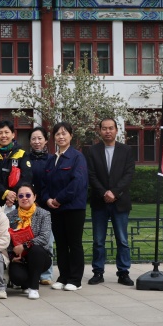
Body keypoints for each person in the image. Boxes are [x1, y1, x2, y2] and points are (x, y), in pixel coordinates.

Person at [85, 118, 135, 286]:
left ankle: (123, 273)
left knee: (122, 240)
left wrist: (114, 192)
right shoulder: (92, 151)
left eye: (111, 128)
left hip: (120, 202)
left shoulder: (126, 150)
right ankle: (98, 272)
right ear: (100, 131)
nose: (108, 131)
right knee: (98, 240)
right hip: (99, 202)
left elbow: (129, 174)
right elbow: (91, 175)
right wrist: (104, 193)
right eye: (104, 128)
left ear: (116, 130)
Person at [43, 121, 88, 291]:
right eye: (57, 134)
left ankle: (75, 280)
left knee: (74, 243)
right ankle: (63, 276)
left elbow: (77, 182)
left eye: (64, 133)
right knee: (61, 244)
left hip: (73, 208)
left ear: (71, 136)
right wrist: (48, 199)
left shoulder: (77, 157)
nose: (61, 137)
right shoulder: (52, 159)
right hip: (56, 209)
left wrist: (59, 199)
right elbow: (45, 184)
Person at [5, 183, 52, 300]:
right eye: (21, 196)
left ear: (34, 197)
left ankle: (34, 287)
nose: (24, 198)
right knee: (17, 278)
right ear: (17, 198)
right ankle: (26, 282)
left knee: (36, 250)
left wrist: (25, 245)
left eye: (28, 195)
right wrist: (11, 256)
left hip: (39, 256)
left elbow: (44, 237)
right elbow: (6, 239)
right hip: (19, 257)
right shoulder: (10, 216)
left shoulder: (44, 214)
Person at [0, 119, 32, 207]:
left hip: (17, 200)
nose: (3, 135)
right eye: (0, 133)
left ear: (13, 134)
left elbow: (26, 177)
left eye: (6, 132)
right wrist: (5, 193)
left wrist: (12, 195)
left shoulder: (21, 154)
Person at [27, 126, 55, 285]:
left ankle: (46, 274)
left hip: (45, 205)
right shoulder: (25, 159)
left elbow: (52, 183)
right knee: (27, 239)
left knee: (47, 240)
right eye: (33, 139)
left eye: (40, 138)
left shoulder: (52, 160)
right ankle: (30, 272)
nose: (36, 142)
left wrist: (43, 199)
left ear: (45, 140)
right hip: (26, 204)